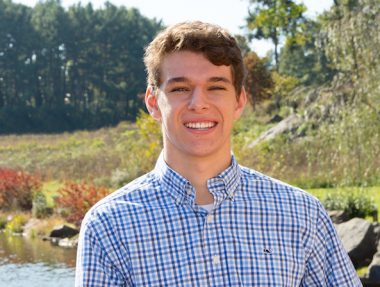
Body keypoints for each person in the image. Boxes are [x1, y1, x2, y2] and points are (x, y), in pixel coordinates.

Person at [75, 21, 362, 286]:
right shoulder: (109, 225)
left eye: (216, 87)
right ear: (153, 102)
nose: (198, 103)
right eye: (180, 88)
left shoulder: (302, 215)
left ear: (239, 101)